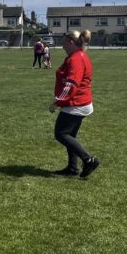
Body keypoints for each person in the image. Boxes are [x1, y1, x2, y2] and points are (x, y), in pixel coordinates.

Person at [49, 30, 100, 178]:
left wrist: (57, 102)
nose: (62, 45)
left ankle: (88, 160)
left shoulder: (76, 59)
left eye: (64, 42)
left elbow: (71, 84)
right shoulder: (77, 56)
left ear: (71, 42)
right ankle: (72, 168)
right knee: (70, 136)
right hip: (79, 102)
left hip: (76, 103)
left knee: (61, 134)